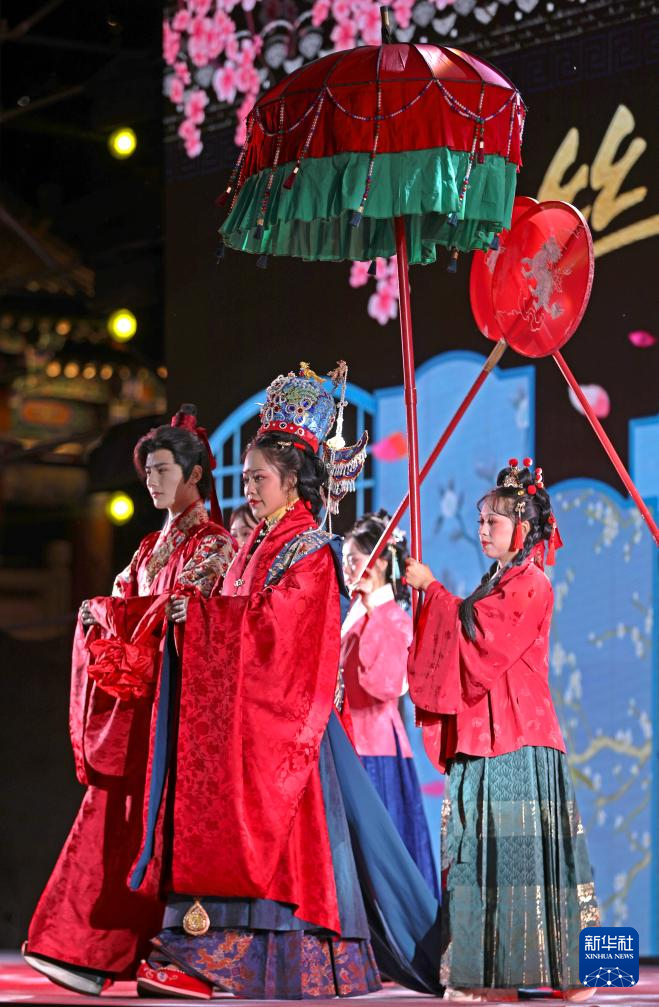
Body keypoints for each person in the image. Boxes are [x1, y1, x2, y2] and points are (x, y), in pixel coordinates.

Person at [135, 364, 442, 1000]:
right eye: (246, 478)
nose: (248, 488)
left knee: (286, 847)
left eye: (259, 478)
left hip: (290, 729)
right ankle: (205, 952)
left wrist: (208, 618)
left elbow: (282, 631)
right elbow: (244, 615)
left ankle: (226, 957)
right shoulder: (257, 544)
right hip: (251, 722)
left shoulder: (309, 549)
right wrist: (200, 615)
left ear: (293, 481)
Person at [23, 405, 235, 997]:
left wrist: (119, 613)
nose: (152, 481)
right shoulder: (148, 546)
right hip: (141, 705)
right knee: (111, 818)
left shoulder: (215, 545)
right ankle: (84, 949)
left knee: (159, 827)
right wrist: (104, 613)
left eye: (163, 470)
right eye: (148, 472)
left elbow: (186, 616)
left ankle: (156, 952)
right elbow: (126, 603)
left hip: (180, 709)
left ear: (194, 475)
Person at [405, 458, 599, 1003]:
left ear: (523, 527)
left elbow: (480, 641)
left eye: (493, 520)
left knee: (515, 860)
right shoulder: (497, 581)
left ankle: (531, 977)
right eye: (481, 519)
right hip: (488, 732)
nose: (483, 528)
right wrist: (436, 596)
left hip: (516, 737)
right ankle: (497, 976)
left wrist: (432, 589)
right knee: (486, 855)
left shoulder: (532, 583)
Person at [341, 511, 438, 897]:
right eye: (345, 560)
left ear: (380, 562)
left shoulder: (394, 618)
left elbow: (381, 685)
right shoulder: (355, 612)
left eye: (354, 559)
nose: (348, 568)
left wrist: (371, 610)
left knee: (380, 857)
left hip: (376, 749)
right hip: (348, 743)